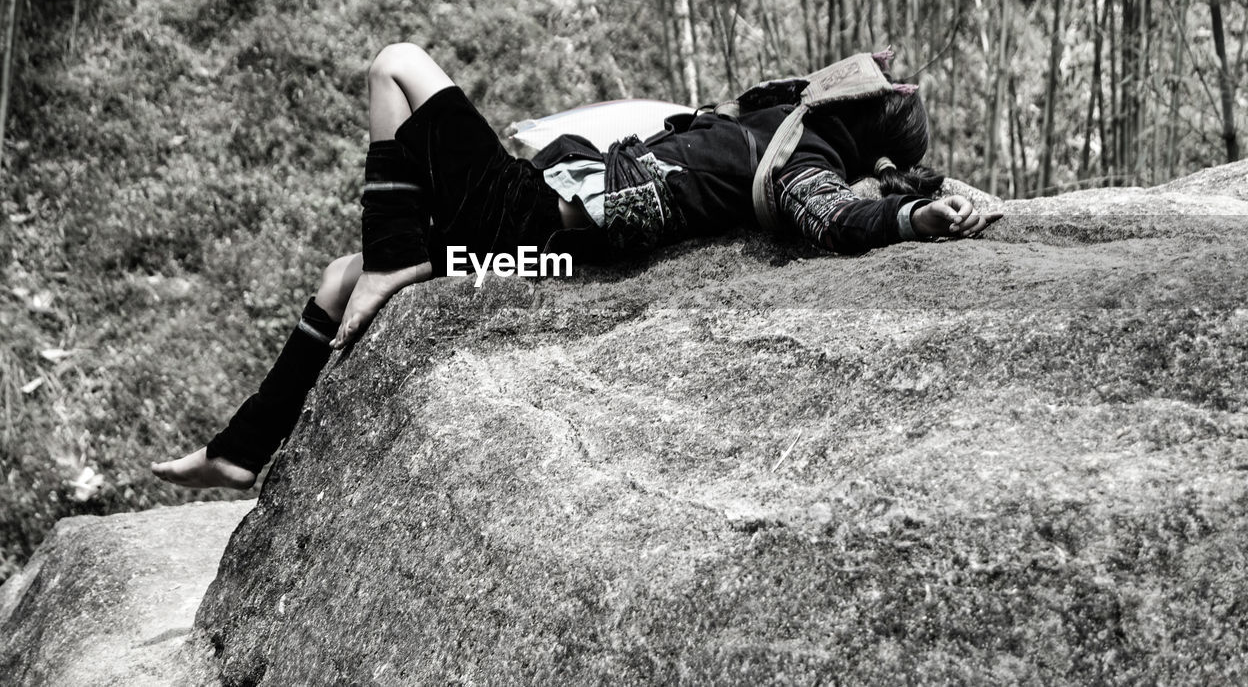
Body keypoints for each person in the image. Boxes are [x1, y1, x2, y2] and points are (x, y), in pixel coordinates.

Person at [151, 43, 1001, 488]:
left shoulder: (798, 160)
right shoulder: (767, 124)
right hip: (542, 245)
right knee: (338, 275)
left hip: (536, 221)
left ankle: (396, 263)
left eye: (862, 81)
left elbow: (832, 214)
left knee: (396, 64)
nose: (844, 73)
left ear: (853, 112)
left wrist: (912, 215)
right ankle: (240, 450)